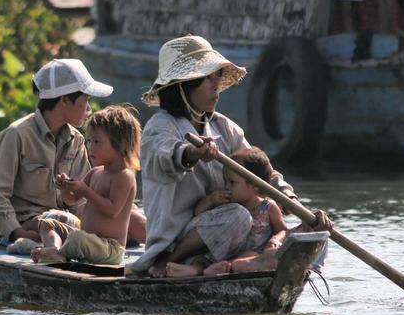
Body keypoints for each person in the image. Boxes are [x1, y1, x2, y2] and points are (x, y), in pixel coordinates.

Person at [125, 35, 332, 278]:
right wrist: (195, 153)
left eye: (217, 77)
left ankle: (251, 263)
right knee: (238, 216)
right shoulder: (160, 127)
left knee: (314, 231)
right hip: (179, 238)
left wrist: (291, 201)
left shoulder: (224, 128)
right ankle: (167, 263)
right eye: (207, 79)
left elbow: (261, 170)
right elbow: (167, 155)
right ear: (184, 85)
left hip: (232, 240)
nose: (216, 86)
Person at [0, 59, 146, 250]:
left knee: (134, 222)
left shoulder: (76, 139)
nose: (89, 108)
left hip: (67, 218)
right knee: (55, 223)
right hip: (29, 222)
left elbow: (82, 198)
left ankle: (172, 249)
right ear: (64, 100)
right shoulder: (17, 134)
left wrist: (119, 216)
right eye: (86, 100)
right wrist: (17, 232)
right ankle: (37, 243)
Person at [31, 105, 141, 265]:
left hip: (109, 248)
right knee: (48, 223)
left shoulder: (124, 176)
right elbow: (72, 200)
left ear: (121, 144)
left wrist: (86, 191)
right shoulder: (95, 172)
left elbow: (112, 210)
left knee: (77, 239)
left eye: (97, 142)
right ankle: (55, 249)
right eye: (89, 141)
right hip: (88, 238)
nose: (90, 148)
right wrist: (65, 188)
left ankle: (59, 253)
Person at [165, 147, 288, 277]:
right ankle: (197, 269)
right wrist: (211, 200)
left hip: (248, 255)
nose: (226, 187)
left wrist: (275, 240)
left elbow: (283, 230)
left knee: (252, 258)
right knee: (203, 258)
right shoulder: (227, 204)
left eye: (232, 183)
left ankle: (206, 271)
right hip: (222, 253)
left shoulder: (268, 207)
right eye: (225, 182)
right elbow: (198, 213)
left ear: (255, 186)